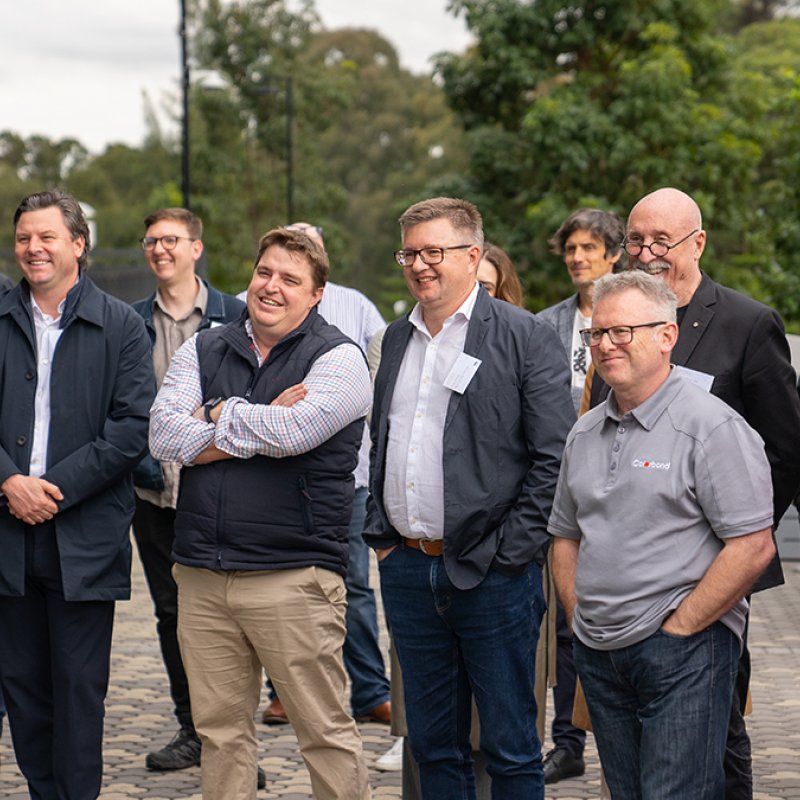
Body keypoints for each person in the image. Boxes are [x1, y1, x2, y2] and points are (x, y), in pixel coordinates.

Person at [590, 187, 800, 798]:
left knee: (720, 721)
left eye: (663, 241)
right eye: (636, 240)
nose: (647, 252)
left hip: (718, 568)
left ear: (697, 243)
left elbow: (787, 448)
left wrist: (739, 536)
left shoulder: (745, 323)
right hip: (629, 570)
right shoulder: (615, 326)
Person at [149, 227, 372, 800]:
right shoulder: (205, 345)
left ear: (317, 293)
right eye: (264, 272)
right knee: (220, 734)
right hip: (202, 575)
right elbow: (162, 434)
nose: (271, 287)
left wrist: (216, 413)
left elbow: (298, 430)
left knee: (323, 732)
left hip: (293, 577)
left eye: (290, 279)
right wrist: (255, 415)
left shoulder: (339, 357)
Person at [365, 197, 575, 798]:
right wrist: (383, 538)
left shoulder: (523, 336)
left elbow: (553, 458)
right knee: (433, 747)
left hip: (493, 576)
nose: (420, 265)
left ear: (473, 255)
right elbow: (384, 443)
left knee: (509, 747)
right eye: (410, 252)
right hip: (407, 569)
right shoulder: (397, 340)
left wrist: (509, 553)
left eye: (435, 251)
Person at [550, 270, 776, 798]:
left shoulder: (712, 427)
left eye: (621, 332)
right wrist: (577, 612)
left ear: (666, 335)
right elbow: (564, 535)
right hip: (600, 650)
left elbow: (754, 545)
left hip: (684, 651)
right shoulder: (583, 432)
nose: (606, 345)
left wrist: (681, 628)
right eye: (597, 334)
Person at [0, 190, 153, 798]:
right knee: (24, 688)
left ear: (78, 244)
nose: (33, 249)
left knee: (80, 690)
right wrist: (9, 482)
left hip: (82, 538)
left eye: (47, 237)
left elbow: (131, 428)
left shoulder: (121, 325)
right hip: (7, 534)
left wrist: (51, 491)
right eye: (23, 239)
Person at [241, 222, 391, 728]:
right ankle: (283, 690)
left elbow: (372, 381)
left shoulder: (357, 307)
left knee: (351, 585)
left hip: (344, 474)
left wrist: (228, 416)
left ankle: (369, 690)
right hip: (264, 482)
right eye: (271, 267)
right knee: (274, 582)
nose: (279, 279)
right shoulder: (250, 311)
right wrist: (260, 413)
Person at [131, 208, 245, 771]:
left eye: (171, 240)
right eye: (152, 241)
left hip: (220, 495)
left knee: (234, 619)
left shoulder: (236, 316)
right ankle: (192, 731)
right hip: (154, 498)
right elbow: (125, 411)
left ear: (196, 248)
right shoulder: (128, 321)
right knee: (172, 616)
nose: (160, 250)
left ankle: (234, 746)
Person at [536, 207, 624, 785]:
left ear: (613, 253)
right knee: (568, 620)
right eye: (571, 249)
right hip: (559, 488)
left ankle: (621, 735)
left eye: (589, 248)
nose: (577, 258)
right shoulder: (545, 324)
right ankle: (567, 743)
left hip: (623, 485)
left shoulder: (634, 312)